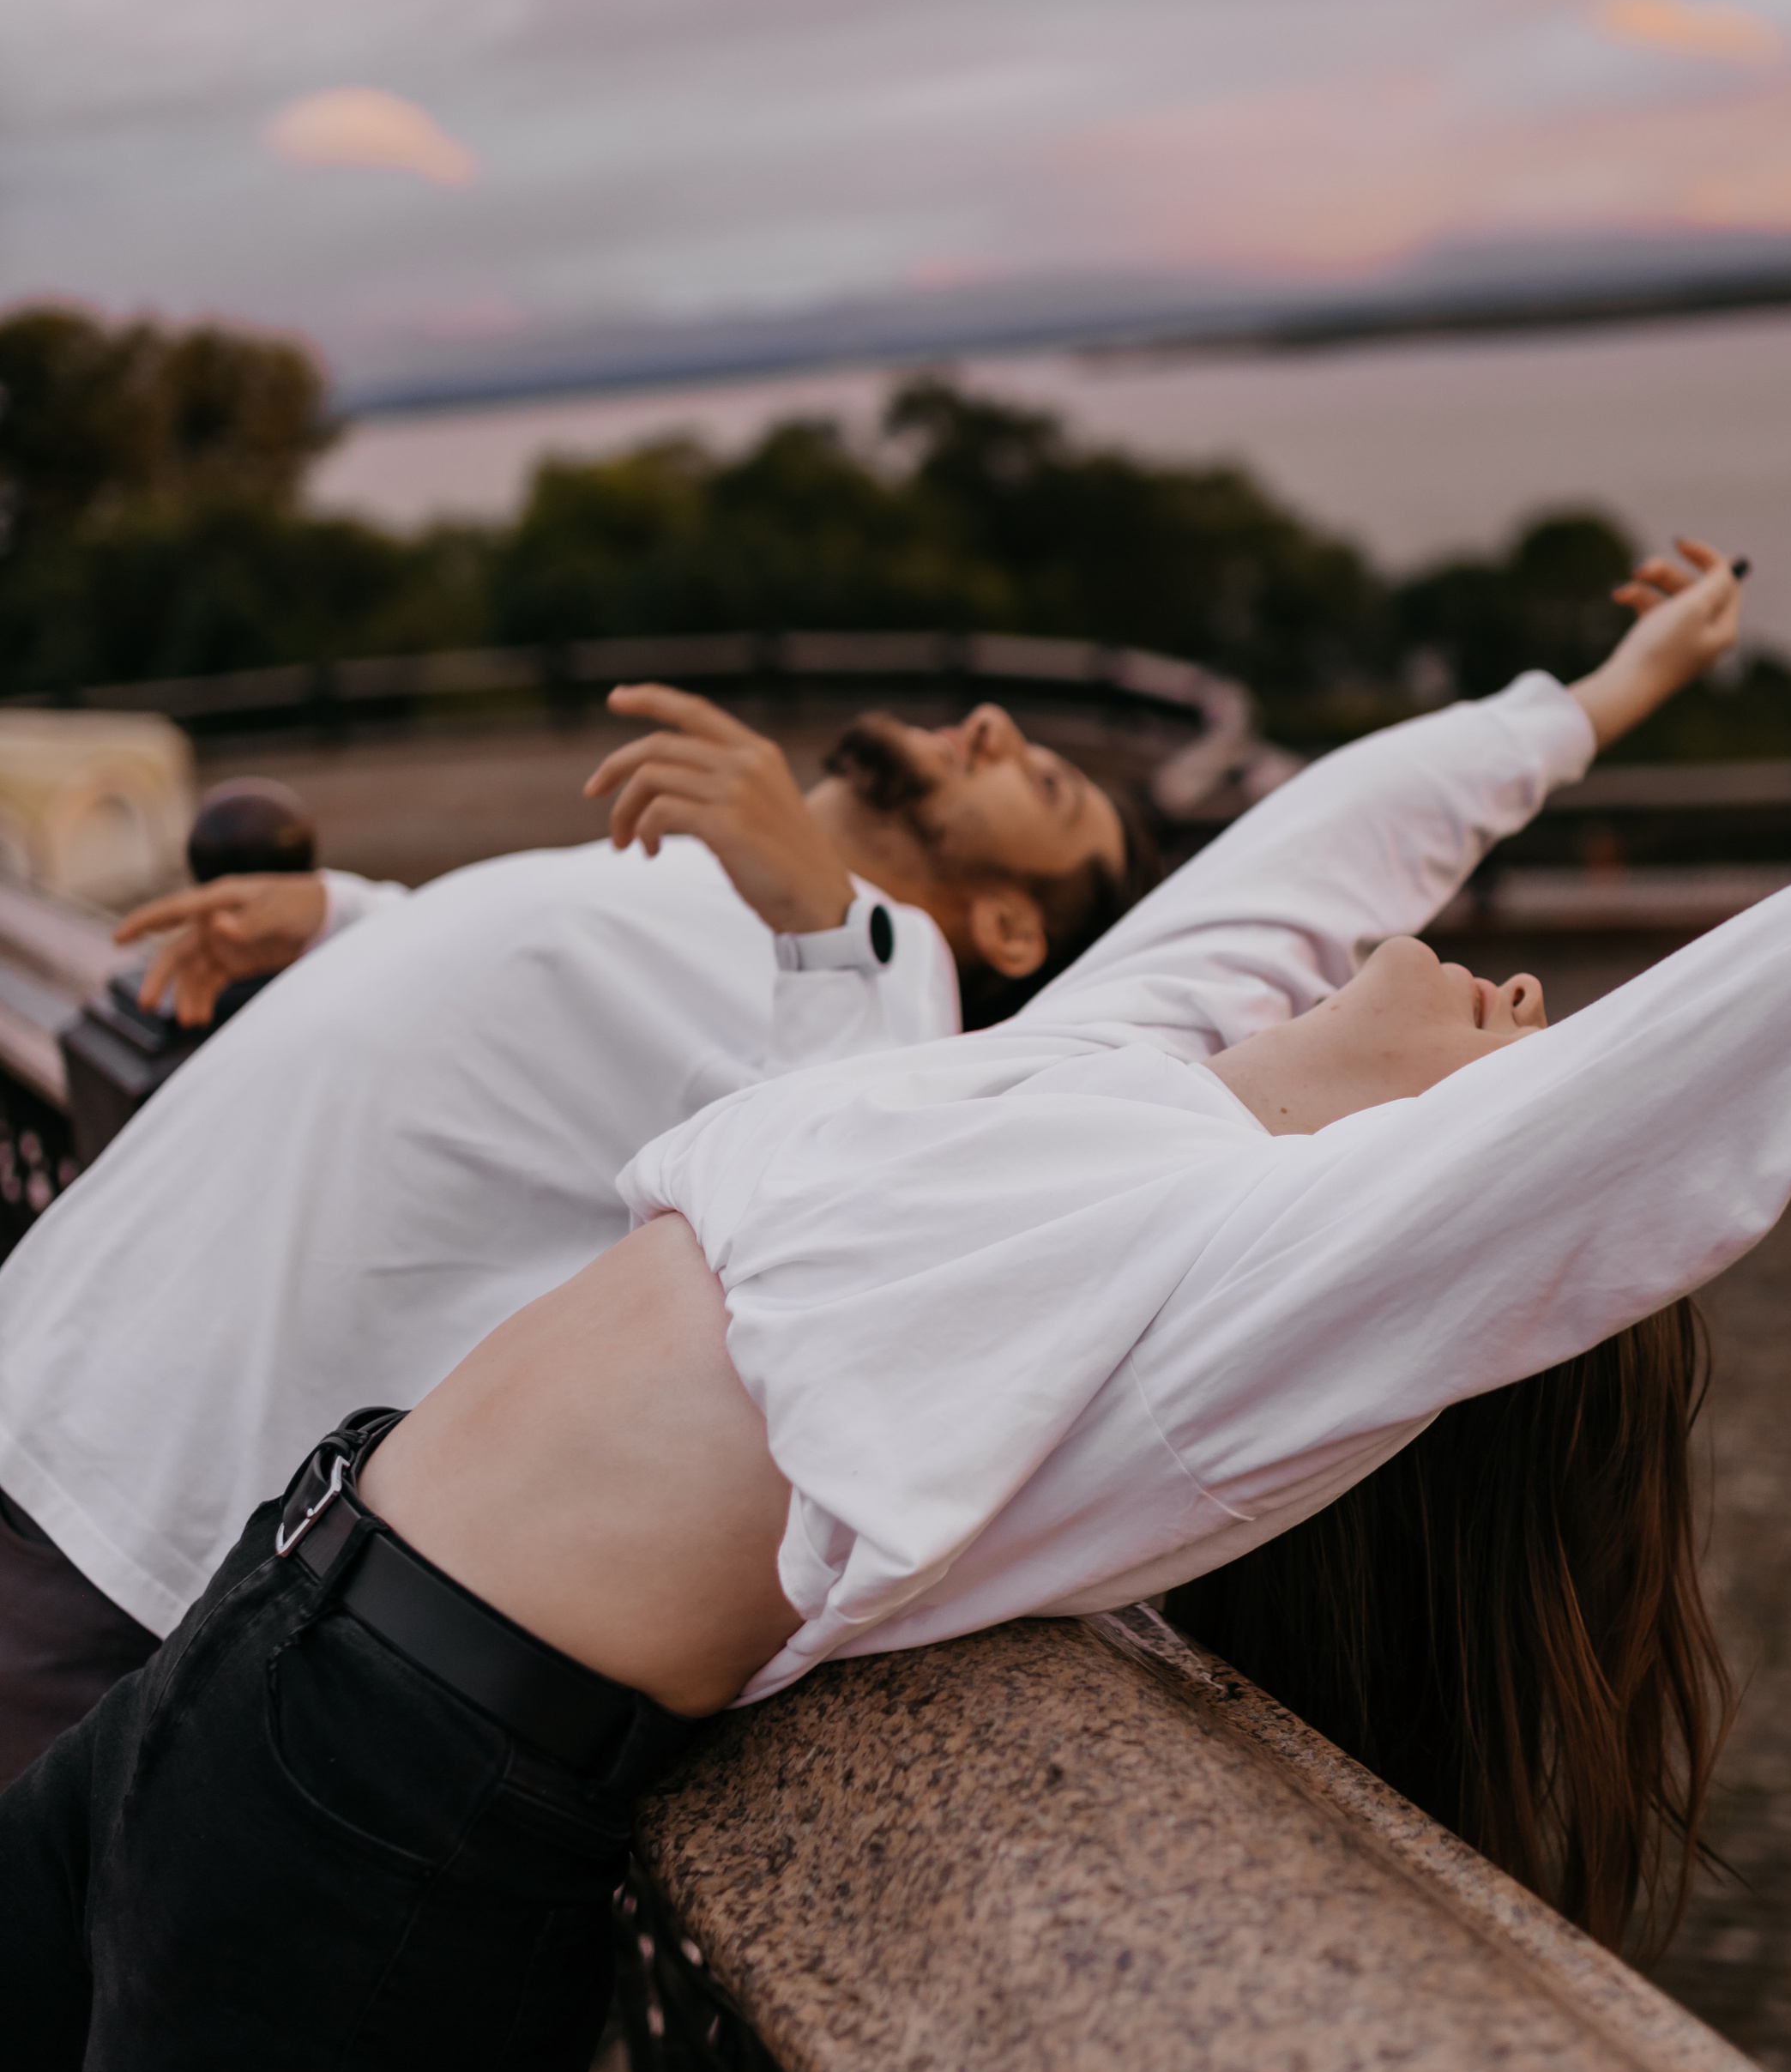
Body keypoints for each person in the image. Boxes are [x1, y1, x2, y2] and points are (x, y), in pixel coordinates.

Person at [15, 544, 1791, 2072]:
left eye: (1527, 1036)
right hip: (258, 1646)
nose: (1504, 982)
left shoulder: (1229, 1292)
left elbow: (1771, 1025)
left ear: (1464, 1162)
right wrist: (1601, 690)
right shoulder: (1095, 1077)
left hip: (388, 1816)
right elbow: (1319, 853)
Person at [0, 684, 1141, 1785]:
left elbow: (831, 1245)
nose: (993, 725)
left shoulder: (877, 1018)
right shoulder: (753, 914)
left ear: (1009, 925)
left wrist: (830, 933)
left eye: (1044, 782)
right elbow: (556, 999)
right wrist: (343, 915)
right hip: (58, 1385)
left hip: (118, 1523)